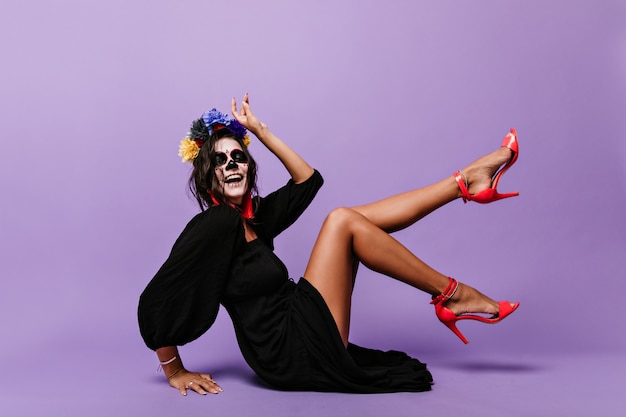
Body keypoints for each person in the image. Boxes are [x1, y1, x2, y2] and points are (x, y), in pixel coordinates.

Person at [138, 94, 520, 396]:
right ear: (208, 180)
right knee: (342, 220)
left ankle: (462, 185)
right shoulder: (215, 224)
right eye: (220, 162)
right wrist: (175, 371)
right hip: (285, 350)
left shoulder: (253, 218)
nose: (232, 165)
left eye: (238, 156)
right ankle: (452, 289)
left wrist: (260, 130)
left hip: (300, 319)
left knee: (351, 220)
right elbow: (158, 299)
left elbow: (307, 180)